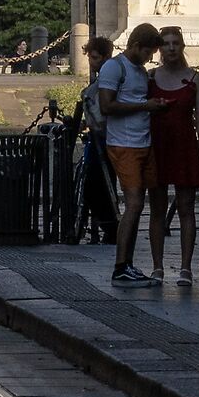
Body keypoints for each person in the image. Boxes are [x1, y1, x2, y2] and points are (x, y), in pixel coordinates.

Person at [97, 22, 164, 287]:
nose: (150, 58)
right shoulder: (115, 67)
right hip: (124, 143)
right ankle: (121, 265)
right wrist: (144, 105)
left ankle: (129, 263)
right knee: (134, 204)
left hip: (143, 142)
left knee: (142, 204)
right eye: (148, 52)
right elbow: (107, 106)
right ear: (136, 46)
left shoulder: (139, 70)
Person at [150, 25, 199, 283]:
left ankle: (186, 267)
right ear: (159, 48)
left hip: (185, 145)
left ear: (183, 46)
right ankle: (157, 266)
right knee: (157, 209)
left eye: (175, 43)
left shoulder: (195, 79)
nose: (171, 47)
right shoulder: (150, 78)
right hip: (158, 145)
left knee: (186, 207)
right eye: (166, 43)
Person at [76, 34, 118, 246]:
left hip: (105, 138)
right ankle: (105, 225)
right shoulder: (103, 78)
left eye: (95, 57)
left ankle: (110, 226)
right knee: (96, 184)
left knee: (99, 184)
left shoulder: (108, 78)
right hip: (98, 137)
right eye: (91, 58)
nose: (92, 62)